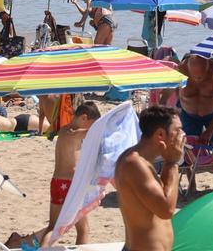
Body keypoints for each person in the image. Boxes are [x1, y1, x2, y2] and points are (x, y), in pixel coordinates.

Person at [115, 105, 185, 251]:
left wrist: (169, 162)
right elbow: (166, 210)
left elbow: (163, 195)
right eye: (177, 130)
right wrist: (172, 163)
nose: (182, 135)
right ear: (160, 134)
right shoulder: (133, 164)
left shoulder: (144, 162)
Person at [41, 101, 101, 246]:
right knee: (83, 229)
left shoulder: (63, 131)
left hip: (57, 183)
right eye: (91, 124)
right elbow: (97, 131)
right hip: (71, 184)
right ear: (84, 118)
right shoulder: (74, 134)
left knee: (53, 227)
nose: (91, 128)